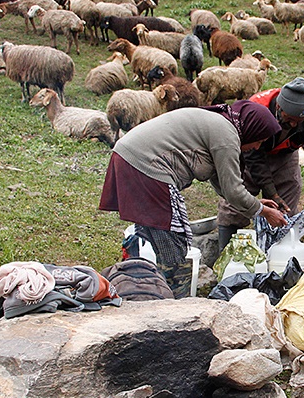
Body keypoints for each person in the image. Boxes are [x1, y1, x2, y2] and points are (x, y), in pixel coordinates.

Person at [99, 101, 288, 296]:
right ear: (252, 130)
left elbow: (223, 183)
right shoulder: (227, 135)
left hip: (130, 157)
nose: (257, 147)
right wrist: (263, 212)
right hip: (147, 166)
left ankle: (142, 287)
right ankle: (173, 299)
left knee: (152, 232)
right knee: (173, 241)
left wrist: (255, 203)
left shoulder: (222, 124)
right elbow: (233, 190)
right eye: (259, 140)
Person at [216, 77, 304, 251]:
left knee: (287, 195)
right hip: (250, 151)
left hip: (284, 154)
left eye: (298, 122)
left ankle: (276, 251)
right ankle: (225, 252)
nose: (293, 124)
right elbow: (254, 158)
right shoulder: (258, 108)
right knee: (236, 200)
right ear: (279, 107)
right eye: (289, 119)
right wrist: (272, 193)